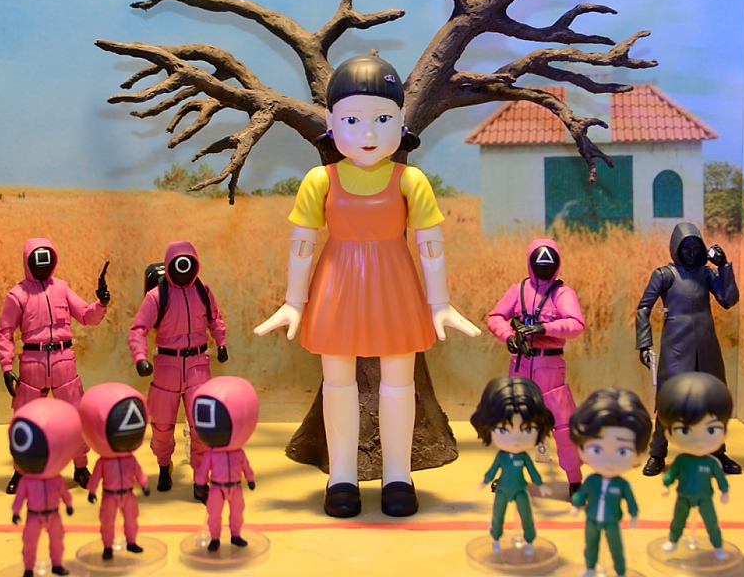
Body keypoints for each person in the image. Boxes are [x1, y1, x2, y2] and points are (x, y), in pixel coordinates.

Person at [255, 52, 480, 518]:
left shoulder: (410, 180)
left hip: (395, 285)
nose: (369, 133)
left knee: (399, 383)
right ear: (331, 125)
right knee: (338, 383)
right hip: (336, 286)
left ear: (401, 122)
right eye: (352, 120)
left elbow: (431, 244)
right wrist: (294, 301)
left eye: (382, 118)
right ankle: (342, 476)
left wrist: (440, 302)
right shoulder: (320, 180)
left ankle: (399, 474)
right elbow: (302, 244)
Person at [0, 238, 110, 494]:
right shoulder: (17, 295)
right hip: (32, 364)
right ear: (28, 263)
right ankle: (21, 470)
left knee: (75, 416)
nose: (43, 265)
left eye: (47, 260)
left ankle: (81, 467)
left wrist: (101, 303)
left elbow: (86, 316)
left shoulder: (62, 288)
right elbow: (4, 332)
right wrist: (6, 366)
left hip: (63, 361)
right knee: (26, 419)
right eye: (37, 260)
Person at [635, 222, 740, 475]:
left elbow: (728, 300)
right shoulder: (665, 274)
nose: (691, 254)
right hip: (676, 346)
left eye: (695, 248)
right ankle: (658, 452)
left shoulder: (707, 274)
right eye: (685, 249)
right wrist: (644, 344)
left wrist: (724, 267)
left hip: (707, 345)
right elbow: (643, 308)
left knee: (713, 398)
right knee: (669, 399)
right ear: (675, 249)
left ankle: (717, 450)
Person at [487, 238, 586, 495]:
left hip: (549, 366)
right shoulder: (518, 290)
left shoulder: (562, 294)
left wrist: (545, 328)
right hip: (521, 364)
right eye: (539, 263)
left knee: (563, 426)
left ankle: (575, 480)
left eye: (549, 263)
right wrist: (509, 336)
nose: (544, 268)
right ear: (530, 264)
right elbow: (496, 317)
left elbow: (576, 324)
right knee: (513, 422)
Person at [128, 241, 228, 493]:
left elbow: (215, 319)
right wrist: (140, 357)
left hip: (198, 366)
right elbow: (138, 329)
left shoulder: (202, 291)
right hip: (167, 367)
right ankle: (164, 466)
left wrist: (221, 343)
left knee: (201, 425)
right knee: (162, 426)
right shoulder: (156, 296)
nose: (183, 270)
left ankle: (200, 478)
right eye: (178, 264)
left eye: (189, 264)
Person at [568, 388, 652, 577]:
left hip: (613, 521)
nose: (608, 461)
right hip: (591, 520)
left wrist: (633, 514)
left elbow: (630, 500)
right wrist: (576, 505)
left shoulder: (622, 485)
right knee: (590, 546)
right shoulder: (591, 481)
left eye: (622, 451)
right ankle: (590, 568)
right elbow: (581, 494)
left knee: (616, 548)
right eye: (597, 449)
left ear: (638, 454)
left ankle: (620, 571)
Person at [471, 376, 555, 556]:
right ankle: (495, 539)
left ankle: (529, 540)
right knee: (497, 516)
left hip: (520, 490)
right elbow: (493, 470)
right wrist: (485, 481)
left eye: (527, 429)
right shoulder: (502, 456)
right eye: (503, 430)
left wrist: (540, 484)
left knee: (527, 517)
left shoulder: (523, 457)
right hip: (502, 490)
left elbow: (532, 471)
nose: (515, 439)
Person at [656, 372, 733, 560]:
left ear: (724, 432)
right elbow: (672, 473)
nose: (699, 440)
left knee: (711, 522)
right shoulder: (681, 461)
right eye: (684, 430)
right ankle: (673, 541)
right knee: (678, 520)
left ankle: (718, 546)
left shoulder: (711, 462)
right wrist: (666, 484)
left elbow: (720, 478)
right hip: (683, 496)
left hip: (705, 498)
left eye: (711, 429)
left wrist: (724, 491)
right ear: (669, 433)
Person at [9, 398, 85, 577]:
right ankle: (29, 568)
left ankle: (56, 564)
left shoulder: (55, 479)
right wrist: (16, 511)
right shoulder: (28, 481)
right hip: (34, 515)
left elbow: (64, 492)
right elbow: (20, 497)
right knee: (30, 542)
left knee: (57, 540)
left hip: (53, 513)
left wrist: (68, 504)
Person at [79, 383, 151, 560]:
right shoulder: (103, 462)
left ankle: (131, 541)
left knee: (131, 518)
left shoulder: (130, 459)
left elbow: (138, 472)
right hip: (109, 495)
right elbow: (96, 477)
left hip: (128, 494)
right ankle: (107, 546)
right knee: (107, 521)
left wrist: (143, 484)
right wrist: (92, 491)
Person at [191, 376, 259, 552]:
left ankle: (236, 535)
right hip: (216, 488)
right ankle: (215, 538)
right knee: (214, 514)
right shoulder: (211, 454)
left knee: (237, 512)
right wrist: (200, 483)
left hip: (235, 487)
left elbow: (246, 466)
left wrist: (250, 478)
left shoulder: (238, 453)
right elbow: (203, 469)